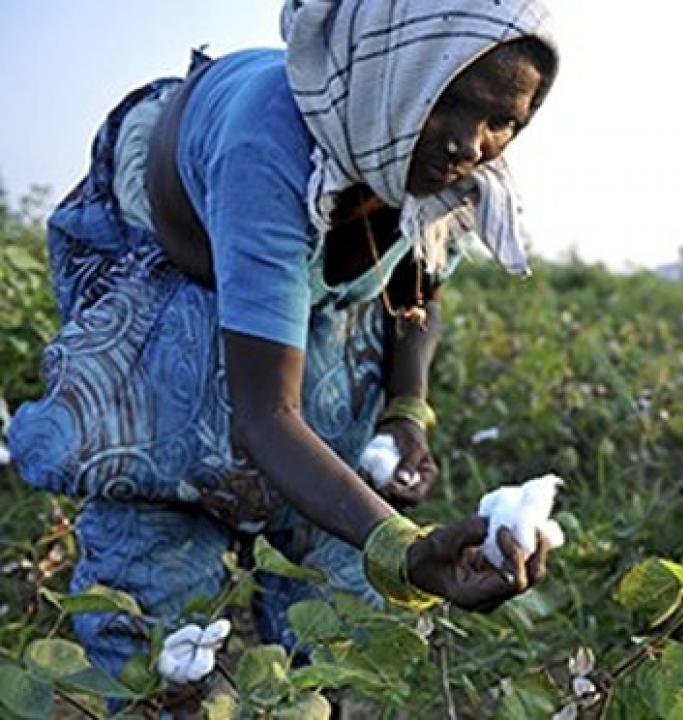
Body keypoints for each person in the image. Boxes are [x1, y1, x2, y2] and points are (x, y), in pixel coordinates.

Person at [5, 0, 559, 705]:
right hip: (181, 280)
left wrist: (405, 412)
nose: (471, 143)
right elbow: (265, 413)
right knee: (154, 600)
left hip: (308, 291)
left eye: (503, 120)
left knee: (342, 594)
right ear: (393, 69)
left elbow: (419, 283)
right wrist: (407, 552)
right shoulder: (268, 148)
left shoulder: (426, 159)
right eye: (450, 101)